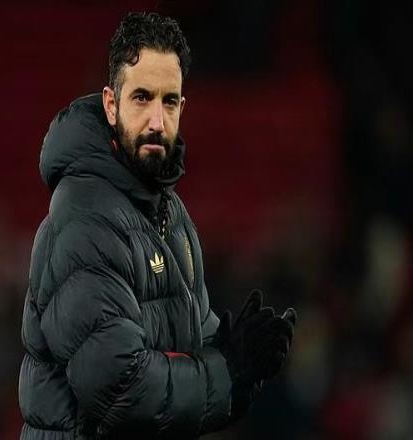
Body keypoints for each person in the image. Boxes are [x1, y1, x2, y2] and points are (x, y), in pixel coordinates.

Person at [18, 11, 297, 440]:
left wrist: (241, 357)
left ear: (182, 108)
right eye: (142, 98)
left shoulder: (171, 213)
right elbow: (121, 388)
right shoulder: (84, 218)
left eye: (168, 101)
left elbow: (193, 348)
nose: (156, 121)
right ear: (111, 105)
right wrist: (229, 371)